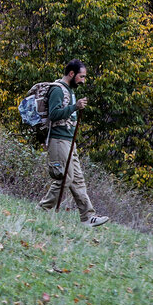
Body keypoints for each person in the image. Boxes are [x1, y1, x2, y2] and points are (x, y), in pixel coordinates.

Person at [37, 59, 109, 227]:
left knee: (77, 179)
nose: (83, 80)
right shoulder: (57, 89)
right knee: (66, 178)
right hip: (58, 140)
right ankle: (43, 208)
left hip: (69, 141)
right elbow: (54, 114)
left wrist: (75, 107)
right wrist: (75, 107)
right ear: (71, 74)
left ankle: (87, 217)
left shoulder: (70, 90)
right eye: (81, 76)